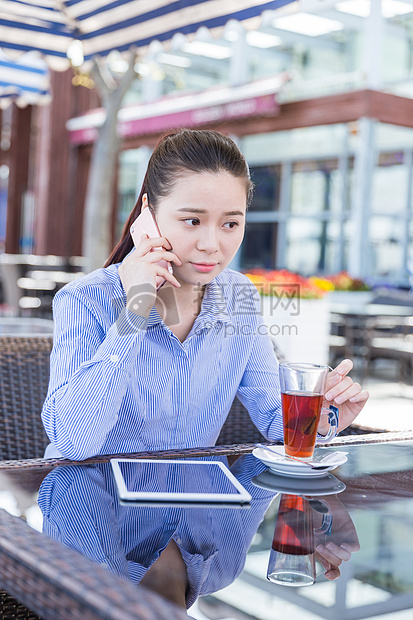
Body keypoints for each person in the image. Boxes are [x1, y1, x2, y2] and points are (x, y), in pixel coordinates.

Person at [42, 129, 369, 460]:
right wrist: (135, 310)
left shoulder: (238, 295)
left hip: (197, 503)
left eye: (230, 224)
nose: (211, 245)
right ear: (147, 214)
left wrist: (323, 416)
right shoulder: (85, 299)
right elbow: (74, 443)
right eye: (192, 220)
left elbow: (274, 420)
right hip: (94, 501)